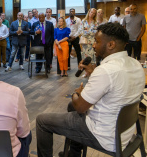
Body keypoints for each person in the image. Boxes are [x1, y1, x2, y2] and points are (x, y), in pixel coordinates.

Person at [36, 23, 145, 157]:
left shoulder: (106, 70)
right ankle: (74, 153)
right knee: (72, 106)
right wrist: (93, 74)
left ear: (111, 45)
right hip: (124, 130)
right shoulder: (135, 63)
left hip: (104, 136)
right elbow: (115, 86)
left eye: (97, 41)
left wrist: (76, 93)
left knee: (42, 120)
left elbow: (81, 107)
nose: (93, 45)